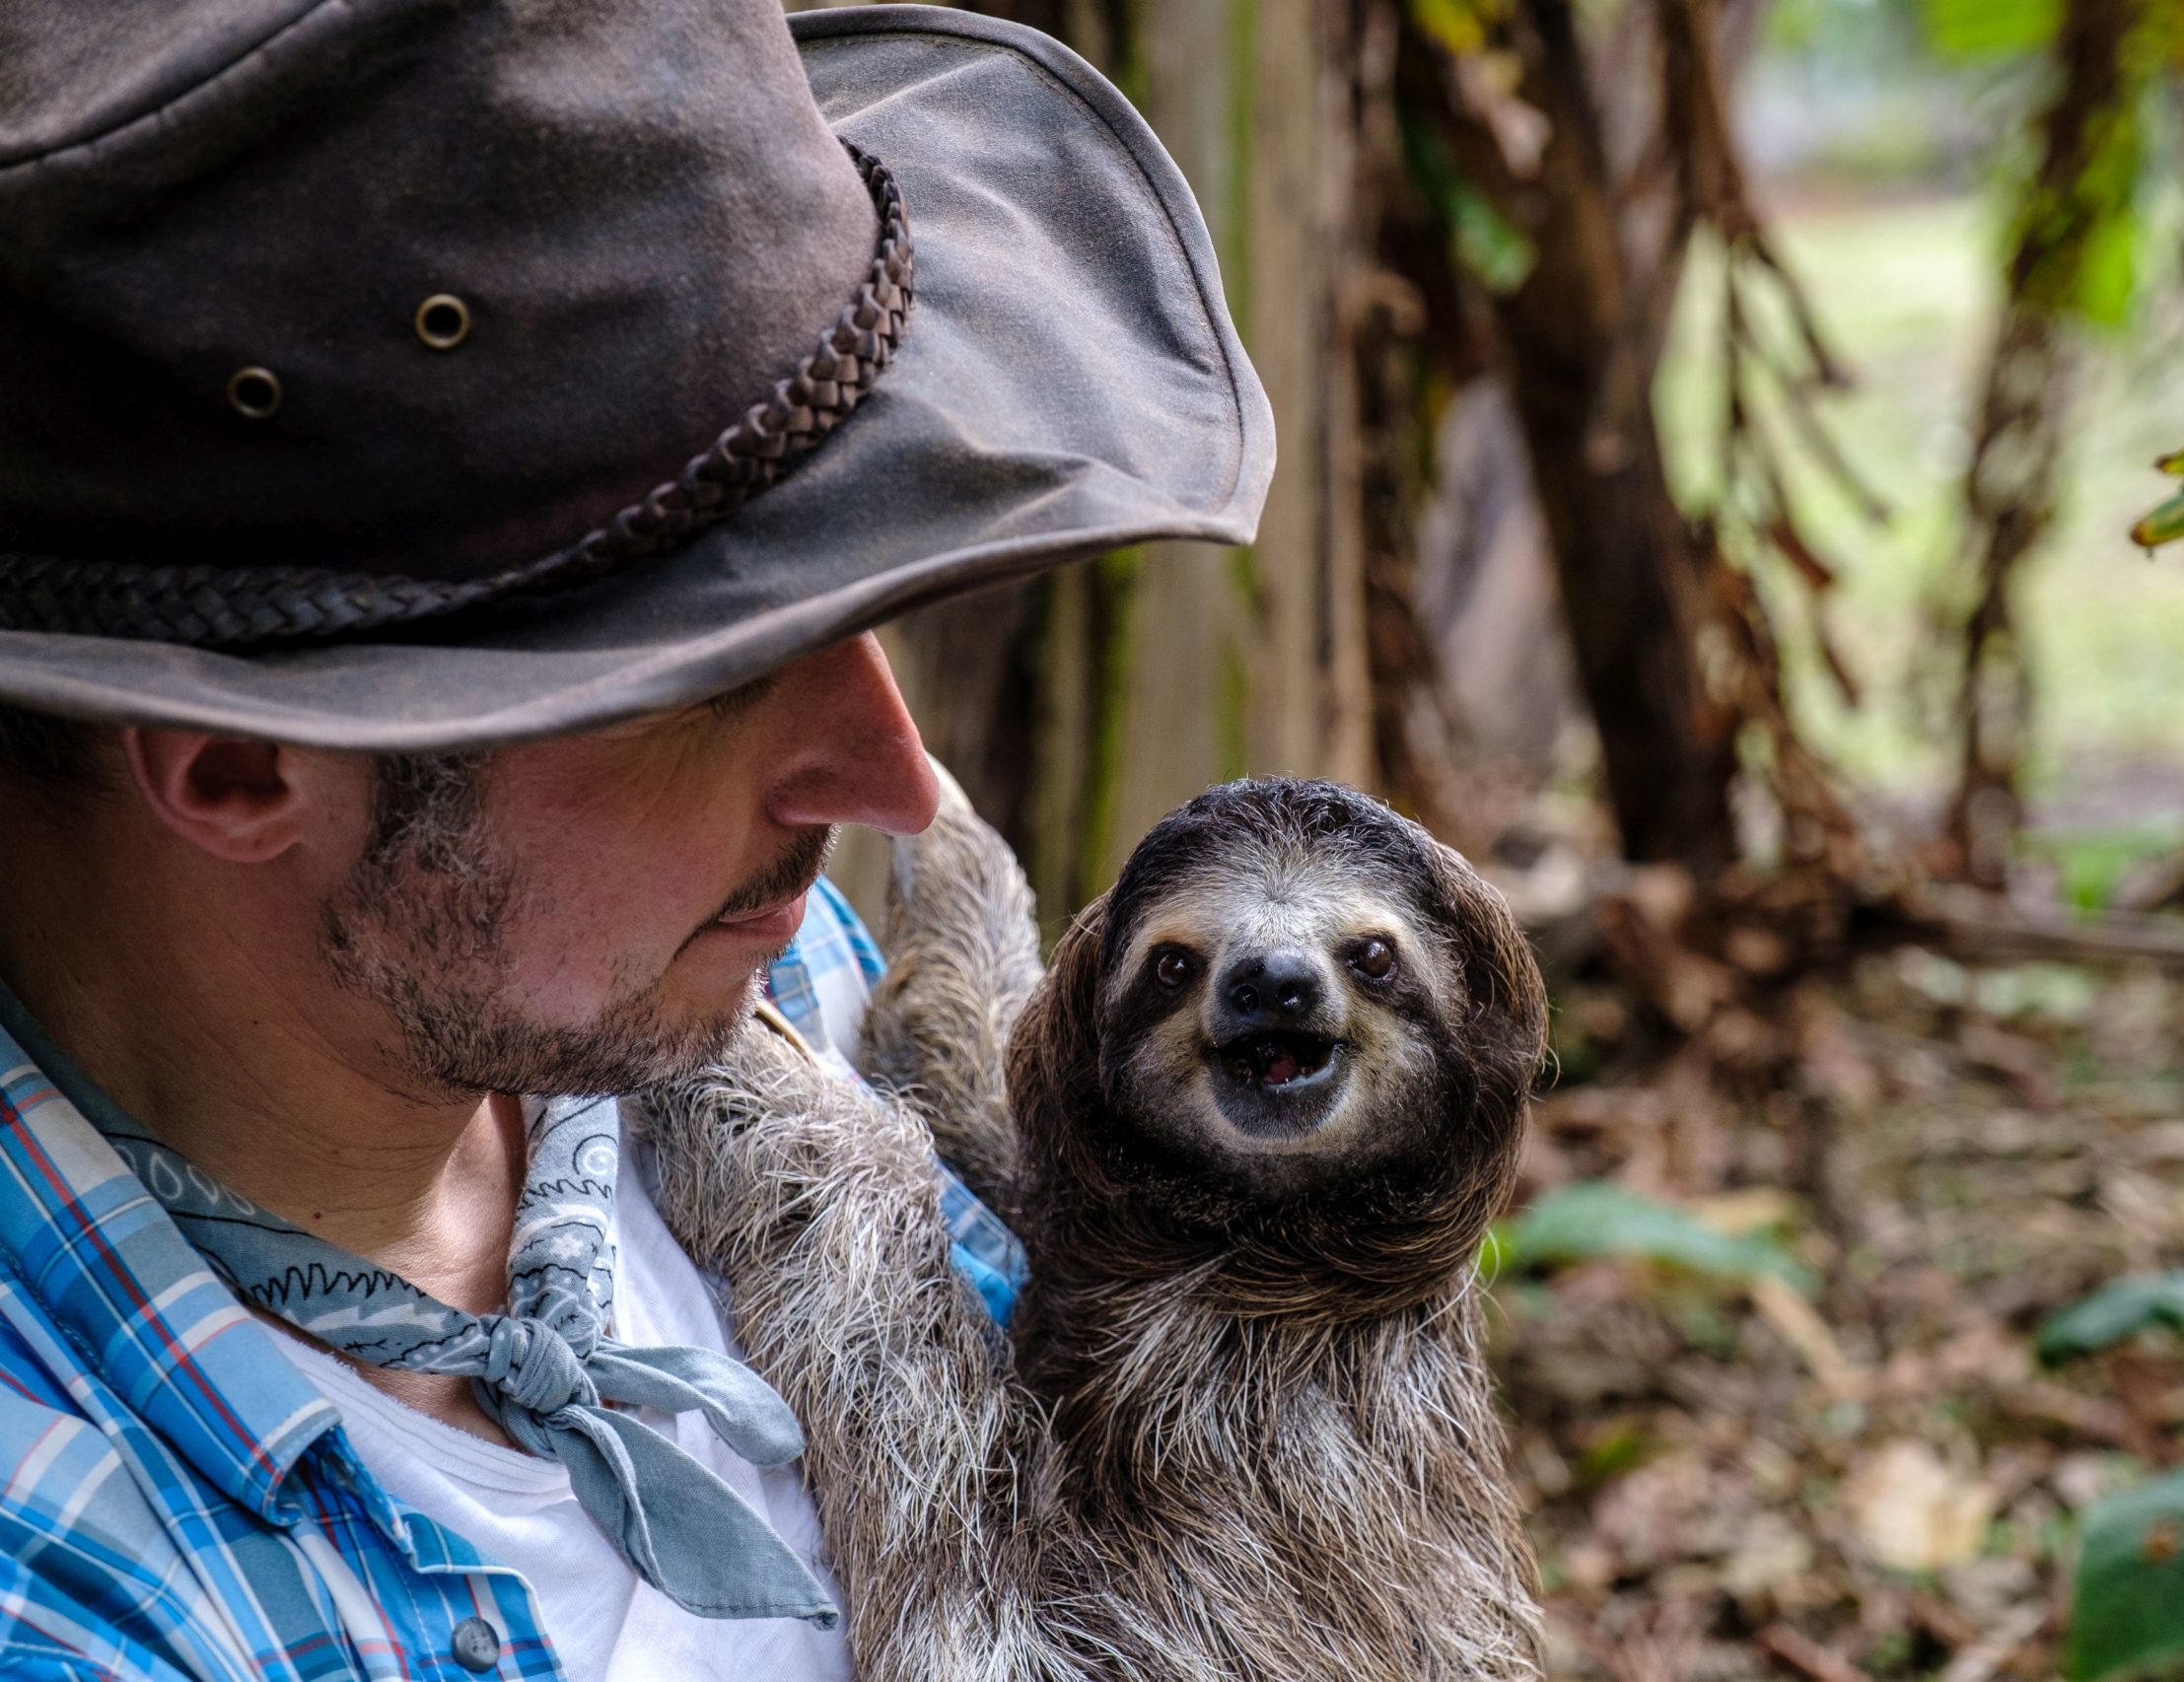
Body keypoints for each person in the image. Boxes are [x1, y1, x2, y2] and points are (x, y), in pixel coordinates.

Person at [0, 3, 1270, 1678]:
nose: (892, 779)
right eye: (712, 677)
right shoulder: (70, 1584)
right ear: (239, 765)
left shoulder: (710, 960)